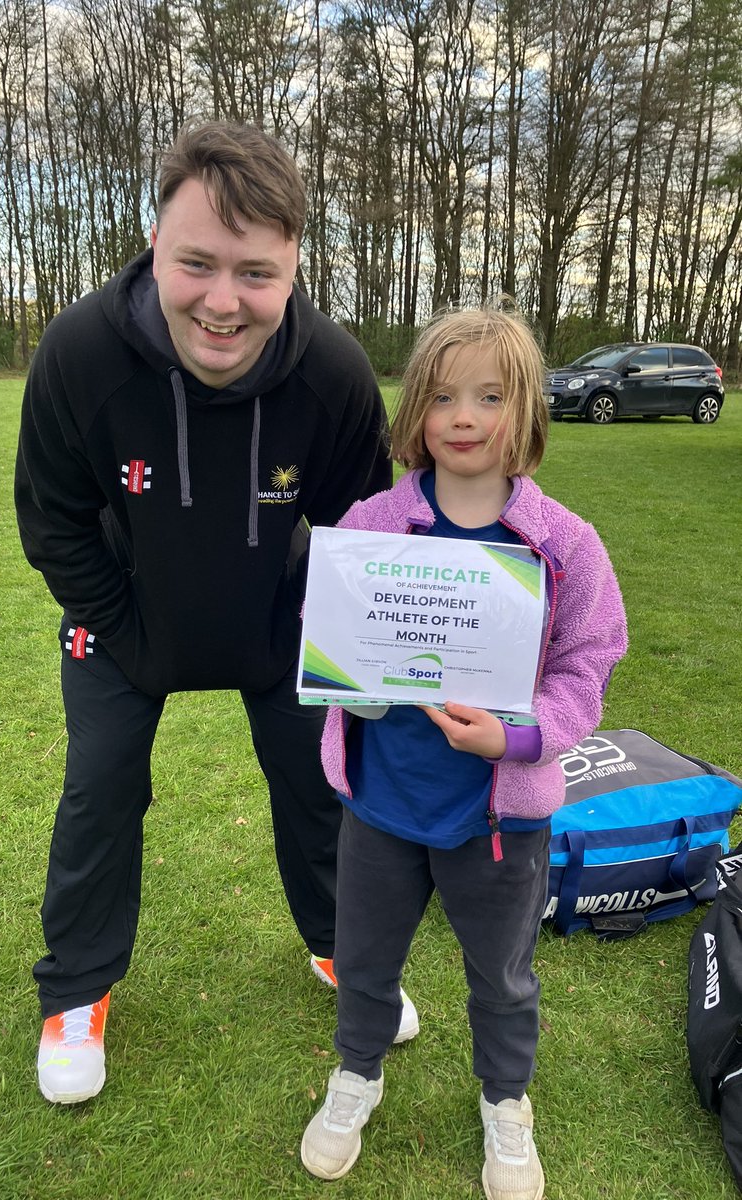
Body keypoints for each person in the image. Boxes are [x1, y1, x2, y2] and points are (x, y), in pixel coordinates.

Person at [14, 120, 418, 1107]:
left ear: (292, 268)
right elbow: (54, 522)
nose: (224, 303)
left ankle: (339, 949)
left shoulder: (331, 372)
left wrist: (328, 641)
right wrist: (130, 628)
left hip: (275, 623)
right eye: (197, 263)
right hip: (122, 619)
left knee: (319, 782)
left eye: (256, 273)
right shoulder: (79, 354)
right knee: (101, 788)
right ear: (156, 244)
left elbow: (364, 534)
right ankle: (76, 993)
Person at [299, 308, 628, 1199]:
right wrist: (348, 679)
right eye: (442, 395)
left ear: (526, 411)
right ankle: (355, 1074)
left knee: (503, 978)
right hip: (381, 803)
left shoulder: (564, 545)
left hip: (497, 819)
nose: (464, 415)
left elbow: (588, 663)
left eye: (490, 395)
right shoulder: (373, 522)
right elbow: (332, 636)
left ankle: (507, 1105)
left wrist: (519, 738)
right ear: (416, 411)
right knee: (363, 962)